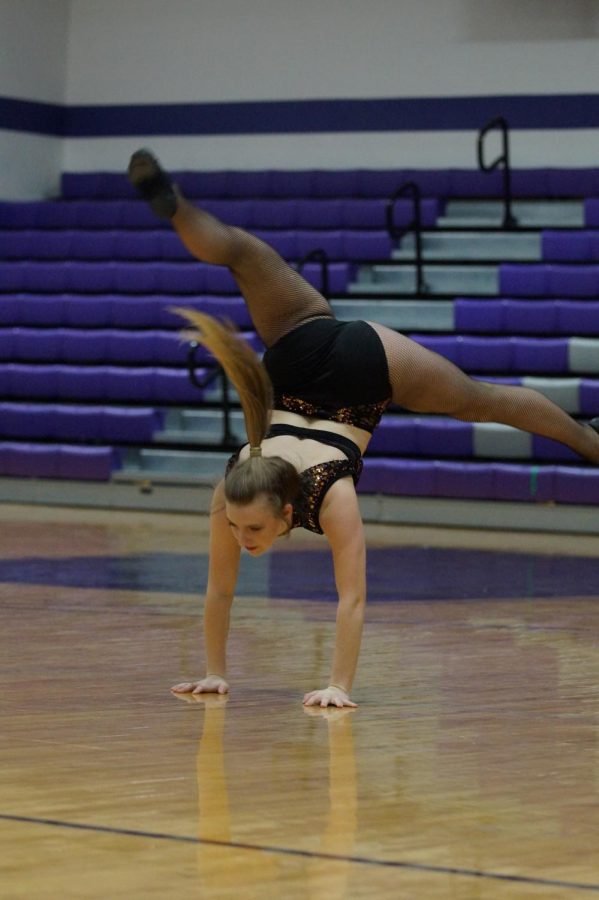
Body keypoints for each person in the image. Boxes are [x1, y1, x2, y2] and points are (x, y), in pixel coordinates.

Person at [128, 149, 599, 708]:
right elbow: (222, 588)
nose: (240, 539)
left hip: (363, 368)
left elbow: (350, 599)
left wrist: (338, 686)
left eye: (249, 531)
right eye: (238, 529)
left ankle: (591, 442)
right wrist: (214, 672)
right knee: (240, 253)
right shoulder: (239, 485)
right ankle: (173, 204)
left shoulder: (331, 496)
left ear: (286, 514)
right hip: (302, 343)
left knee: (479, 401)